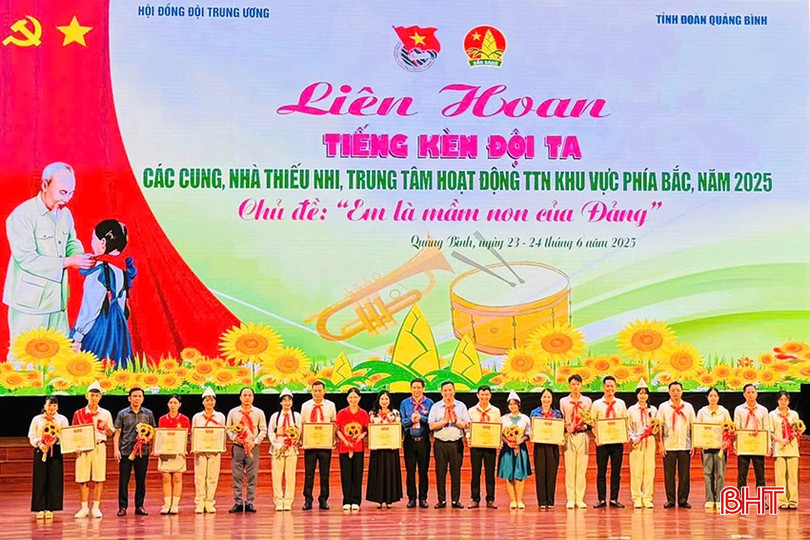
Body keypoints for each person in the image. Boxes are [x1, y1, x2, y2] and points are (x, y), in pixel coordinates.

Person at [4, 162, 92, 350]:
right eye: (62, 192)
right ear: (45, 185)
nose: (67, 199)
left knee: (59, 358)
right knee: (25, 359)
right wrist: (69, 261)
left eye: (71, 193)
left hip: (58, 302)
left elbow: (71, 241)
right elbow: (27, 259)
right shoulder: (22, 215)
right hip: (29, 305)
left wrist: (80, 256)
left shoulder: (65, 214)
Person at [69, 219, 136, 368]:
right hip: (118, 331)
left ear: (103, 242)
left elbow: (90, 309)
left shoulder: (98, 271)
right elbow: (122, 306)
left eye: (94, 239)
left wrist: (78, 337)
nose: (92, 242)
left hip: (97, 331)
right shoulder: (120, 271)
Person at [72, 381, 114, 518]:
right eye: (92, 395)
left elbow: (111, 433)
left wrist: (106, 427)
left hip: (99, 446)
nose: (94, 398)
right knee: (82, 478)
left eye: (97, 395)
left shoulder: (105, 413)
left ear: (100, 397)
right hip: (83, 448)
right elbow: (74, 433)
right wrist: (75, 447)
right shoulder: (79, 413)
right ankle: (84, 508)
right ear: (86, 396)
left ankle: (96, 507)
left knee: (99, 477)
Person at [114, 387, 155, 516]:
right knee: (123, 480)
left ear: (143, 398)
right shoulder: (122, 414)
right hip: (126, 451)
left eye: (139, 396)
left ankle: (139, 506)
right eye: (134, 396)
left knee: (141, 480)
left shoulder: (148, 414)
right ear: (129, 398)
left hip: (143, 452)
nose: (137, 398)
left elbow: (153, 431)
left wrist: (152, 445)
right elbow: (117, 433)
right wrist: (116, 449)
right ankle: (123, 507)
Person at [428, 380, 470, 509]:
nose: (448, 393)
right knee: (440, 472)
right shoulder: (436, 407)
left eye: (450, 390)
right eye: (445, 390)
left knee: (455, 472)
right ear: (441, 392)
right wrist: (444, 421)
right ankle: (441, 500)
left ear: (454, 391)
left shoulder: (461, 406)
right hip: (440, 443)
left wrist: (456, 421)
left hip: (456, 443)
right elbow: (431, 426)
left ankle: (455, 500)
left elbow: (466, 424)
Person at [225, 387, 267, 513]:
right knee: (237, 475)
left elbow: (263, 430)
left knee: (252, 475)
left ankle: (250, 502)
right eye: (245, 395)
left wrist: (255, 442)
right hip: (238, 447)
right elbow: (228, 428)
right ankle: (238, 502)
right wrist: (235, 438)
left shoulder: (259, 412)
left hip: (252, 448)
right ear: (240, 397)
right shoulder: (233, 412)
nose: (247, 398)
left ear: (253, 397)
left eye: (250, 395)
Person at [29, 396, 69, 520]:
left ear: (57, 407)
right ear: (45, 406)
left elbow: (65, 435)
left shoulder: (62, 419)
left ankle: (51, 508)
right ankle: (40, 508)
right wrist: (40, 444)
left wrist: (55, 440)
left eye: (54, 405)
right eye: (49, 405)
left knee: (54, 479)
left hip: (55, 450)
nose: (51, 408)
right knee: (40, 479)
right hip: (41, 450)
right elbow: (32, 435)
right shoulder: (37, 419)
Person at [656, 381, 695, 509]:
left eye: (678, 390)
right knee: (669, 474)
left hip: (685, 445)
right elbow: (659, 426)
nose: (675, 393)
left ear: (682, 392)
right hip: (669, 445)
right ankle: (671, 500)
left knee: (684, 474)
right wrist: (660, 444)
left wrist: (693, 444)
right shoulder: (663, 407)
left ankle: (683, 500)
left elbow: (693, 426)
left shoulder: (688, 407)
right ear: (669, 392)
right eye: (673, 390)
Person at [591, 375, 628, 508]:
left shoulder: (621, 403)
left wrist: (625, 436)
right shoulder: (596, 404)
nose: (610, 388)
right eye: (607, 386)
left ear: (615, 388)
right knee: (601, 471)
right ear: (603, 387)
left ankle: (614, 499)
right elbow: (592, 423)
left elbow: (625, 421)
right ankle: (601, 499)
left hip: (617, 443)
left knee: (616, 472)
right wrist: (597, 437)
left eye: (612, 386)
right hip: (602, 443)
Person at [301, 380, 337, 510]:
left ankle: (323, 499)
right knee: (309, 474)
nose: (317, 393)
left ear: (324, 391)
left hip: (325, 445)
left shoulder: (330, 405)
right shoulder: (305, 406)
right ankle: (308, 500)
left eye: (319, 391)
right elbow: (302, 424)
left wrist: (331, 437)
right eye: (315, 391)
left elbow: (334, 423)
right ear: (311, 391)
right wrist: (303, 440)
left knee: (325, 474)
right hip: (310, 445)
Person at [694, 387, 731, 509]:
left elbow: (730, 428)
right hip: (706, 446)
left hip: (720, 447)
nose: (713, 398)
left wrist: (726, 441)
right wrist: (700, 442)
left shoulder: (724, 412)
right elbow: (698, 428)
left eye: (715, 396)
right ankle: (709, 499)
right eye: (711, 396)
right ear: (707, 397)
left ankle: (719, 499)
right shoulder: (702, 412)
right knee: (707, 473)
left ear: (718, 398)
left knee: (720, 474)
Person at [400, 377, 434, 509]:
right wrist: (411, 420)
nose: (416, 390)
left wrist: (422, 418)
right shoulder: (405, 403)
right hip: (410, 440)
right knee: (410, 471)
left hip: (424, 440)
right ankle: (412, 498)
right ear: (411, 389)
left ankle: (423, 498)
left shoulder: (429, 403)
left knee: (423, 471)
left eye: (419, 387)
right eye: (414, 387)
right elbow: (402, 422)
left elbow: (432, 421)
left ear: (423, 389)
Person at [191, 386, 226, 514]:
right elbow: (193, 433)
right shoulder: (197, 417)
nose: (209, 402)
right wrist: (194, 447)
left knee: (212, 477)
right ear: (203, 402)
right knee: (200, 477)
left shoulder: (220, 416)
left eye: (211, 400)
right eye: (207, 400)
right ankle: (200, 503)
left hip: (215, 450)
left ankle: (210, 502)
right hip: (200, 451)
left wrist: (221, 446)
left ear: (215, 402)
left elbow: (223, 432)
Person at [366, 390, 403, 509]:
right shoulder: (373, 414)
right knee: (378, 472)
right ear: (378, 401)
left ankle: (389, 499)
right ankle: (378, 499)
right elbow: (370, 429)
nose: (384, 401)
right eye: (382, 399)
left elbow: (398, 429)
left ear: (390, 400)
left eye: (386, 399)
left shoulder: (395, 413)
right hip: (377, 448)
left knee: (390, 473)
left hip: (391, 448)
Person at [560, 374, 592, 509]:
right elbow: (561, 418)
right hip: (569, 436)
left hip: (582, 435)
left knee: (581, 468)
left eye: (578, 384)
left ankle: (580, 498)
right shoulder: (563, 401)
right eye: (573, 384)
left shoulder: (587, 401)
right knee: (570, 468)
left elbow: (590, 419)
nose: (575, 387)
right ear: (569, 386)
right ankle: (570, 498)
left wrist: (585, 424)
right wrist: (566, 427)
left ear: (581, 386)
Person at [734, 383, 771, 500]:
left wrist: (768, 445)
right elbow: (736, 428)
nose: (750, 394)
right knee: (742, 475)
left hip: (758, 446)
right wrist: (736, 444)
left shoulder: (763, 410)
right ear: (744, 394)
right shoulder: (739, 409)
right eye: (748, 392)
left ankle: (762, 500)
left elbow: (766, 428)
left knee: (760, 475)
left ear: (756, 393)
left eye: (753, 392)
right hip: (744, 445)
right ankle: (740, 499)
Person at [466, 385, 500, 509]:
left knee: (490, 473)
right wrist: (469, 438)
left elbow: (498, 427)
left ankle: (490, 498)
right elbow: (468, 428)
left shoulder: (495, 411)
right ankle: (475, 499)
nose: (484, 397)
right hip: (476, 445)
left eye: (486, 394)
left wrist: (497, 440)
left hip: (490, 445)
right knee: (475, 473)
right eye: (482, 394)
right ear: (477, 395)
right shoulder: (471, 411)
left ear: (490, 396)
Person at [269, 387, 302, 512]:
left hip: (291, 449)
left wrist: (292, 442)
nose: (287, 403)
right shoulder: (275, 416)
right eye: (285, 400)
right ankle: (278, 501)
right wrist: (279, 446)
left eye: (289, 400)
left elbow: (299, 431)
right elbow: (271, 433)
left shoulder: (296, 416)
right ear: (281, 402)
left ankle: (288, 501)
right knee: (277, 476)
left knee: (290, 476)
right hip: (278, 449)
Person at [336, 388, 369, 511]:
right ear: (347, 398)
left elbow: (366, 429)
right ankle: (347, 500)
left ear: (359, 398)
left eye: (355, 397)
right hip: (344, 448)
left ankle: (356, 501)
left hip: (358, 448)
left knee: (357, 474)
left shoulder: (363, 413)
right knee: (346, 475)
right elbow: (337, 430)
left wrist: (361, 436)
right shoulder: (342, 413)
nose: (353, 399)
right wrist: (345, 441)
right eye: (350, 397)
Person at [498, 390, 532, 509]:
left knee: (519, 474)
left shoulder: (525, 418)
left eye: (514, 404)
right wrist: (507, 442)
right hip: (507, 449)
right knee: (509, 474)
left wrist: (521, 440)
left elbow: (529, 433)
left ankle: (520, 500)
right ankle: (512, 500)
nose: (512, 406)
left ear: (519, 405)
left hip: (520, 449)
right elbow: (500, 433)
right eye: (510, 404)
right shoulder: (503, 419)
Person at [157, 394, 191, 514]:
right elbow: (160, 437)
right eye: (170, 403)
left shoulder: (185, 419)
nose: (172, 405)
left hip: (179, 452)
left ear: (179, 405)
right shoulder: (162, 419)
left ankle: (175, 505)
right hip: (165, 452)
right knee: (166, 478)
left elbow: (187, 437)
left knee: (177, 477)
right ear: (168, 404)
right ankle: (167, 504)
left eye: (175, 403)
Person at [627, 379, 658, 509]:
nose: (643, 396)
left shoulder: (653, 410)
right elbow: (628, 427)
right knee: (636, 471)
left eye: (645, 393)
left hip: (649, 441)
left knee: (649, 470)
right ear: (636, 395)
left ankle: (647, 497)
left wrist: (654, 430)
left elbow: (656, 427)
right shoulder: (631, 410)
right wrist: (634, 438)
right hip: (636, 442)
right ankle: (637, 497)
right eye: (640, 393)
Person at [530, 388, 562, 509]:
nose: (546, 399)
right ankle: (542, 501)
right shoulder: (535, 413)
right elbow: (532, 428)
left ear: (552, 399)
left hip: (553, 446)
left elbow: (560, 429)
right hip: (539, 445)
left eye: (549, 397)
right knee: (540, 473)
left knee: (551, 473)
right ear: (540, 398)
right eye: (544, 397)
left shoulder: (557, 414)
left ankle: (550, 501)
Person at [770, 390, 803, 509]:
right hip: (779, 448)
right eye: (781, 399)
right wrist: (780, 440)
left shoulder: (794, 414)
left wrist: (793, 435)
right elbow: (770, 432)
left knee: (793, 476)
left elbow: (798, 429)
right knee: (780, 476)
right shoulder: (772, 415)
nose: (783, 402)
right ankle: (782, 501)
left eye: (786, 399)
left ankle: (793, 501)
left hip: (792, 448)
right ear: (777, 401)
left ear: (789, 401)